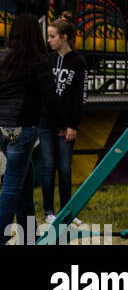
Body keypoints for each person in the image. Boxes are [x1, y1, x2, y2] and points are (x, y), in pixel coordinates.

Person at [0, 14, 67, 245]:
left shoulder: (3, 58)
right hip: (24, 127)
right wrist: (64, 123)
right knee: (11, 184)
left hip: (3, 128)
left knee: (24, 180)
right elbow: (51, 96)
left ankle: (28, 233)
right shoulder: (39, 61)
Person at [38, 17, 87, 230]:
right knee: (48, 166)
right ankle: (49, 211)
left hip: (66, 124)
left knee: (65, 168)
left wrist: (72, 125)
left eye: (52, 36)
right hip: (46, 122)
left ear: (64, 37)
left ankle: (67, 210)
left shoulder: (78, 62)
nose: (49, 40)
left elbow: (80, 96)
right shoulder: (47, 60)